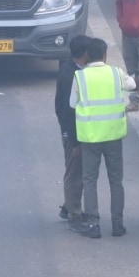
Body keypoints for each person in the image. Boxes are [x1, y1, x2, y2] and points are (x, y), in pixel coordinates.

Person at [70, 37, 136, 239]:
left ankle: (93, 224)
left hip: (90, 137)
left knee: (90, 180)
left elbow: (73, 104)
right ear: (105, 54)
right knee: (116, 180)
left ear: (87, 55)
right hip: (114, 135)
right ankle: (117, 224)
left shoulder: (80, 77)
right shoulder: (116, 73)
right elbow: (132, 85)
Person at [55, 35, 92, 225]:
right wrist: (74, 140)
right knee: (75, 173)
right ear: (85, 53)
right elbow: (68, 111)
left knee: (77, 171)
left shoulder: (68, 68)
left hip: (74, 131)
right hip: (74, 133)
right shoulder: (72, 75)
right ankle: (74, 214)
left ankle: (68, 205)